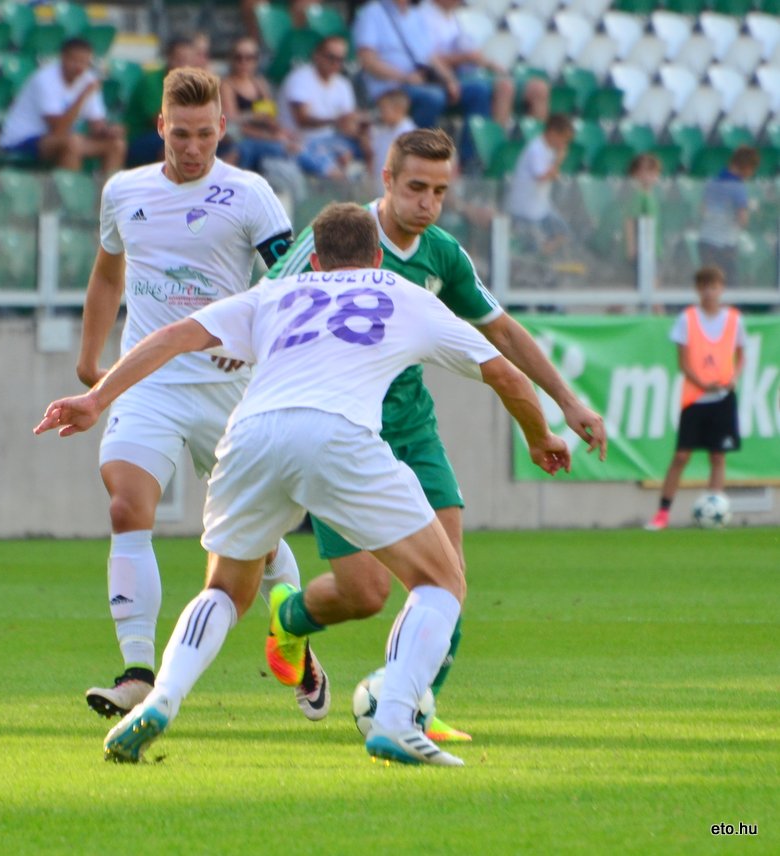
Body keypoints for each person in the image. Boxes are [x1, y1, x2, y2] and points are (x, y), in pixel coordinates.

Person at [34, 202, 571, 767]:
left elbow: (173, 337)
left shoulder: (277, 293)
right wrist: (539, 437)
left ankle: (163, 698)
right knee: (441, 581)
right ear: (375, 257)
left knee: (223, 591)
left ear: (314, 259)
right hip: (339, 434)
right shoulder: (404, 293)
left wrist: (97, 398)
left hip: (250, 436)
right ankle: (394, 717)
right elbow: (505, 373)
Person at [268, 129, 607, 741]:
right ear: (388, 181)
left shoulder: (443, 253)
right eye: (417, 187)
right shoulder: (334, 244)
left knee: (448, 576)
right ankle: (289, 617)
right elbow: (263, 319)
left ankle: (414, 706)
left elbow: (501, 333)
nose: (428, 202)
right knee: (365, 593)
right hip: (340, 436)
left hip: (412, 431)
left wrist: (567, 403)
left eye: (441, 191)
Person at [73, 66, 326, 724]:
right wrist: (90, 357)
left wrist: (250, 337)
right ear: (160, 127)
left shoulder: (249, 195)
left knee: (258, 543)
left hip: (229, 389)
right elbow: (107, 274)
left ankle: (292, 640)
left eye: (205, 135)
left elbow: (296, 280)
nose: (192, 148)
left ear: (223, 129)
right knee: (127, 507)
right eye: (180, 134)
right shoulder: (123, 191)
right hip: (150, 378)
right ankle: (136, 671)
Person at [645, 266, 746, 531]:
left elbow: (741, 354)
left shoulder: (734, 319)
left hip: (723, 397)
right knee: (681, 456)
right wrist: (701, 382)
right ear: (698, 289)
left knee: (718, 457)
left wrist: (734, 376)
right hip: (695, 398)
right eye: (706, 286)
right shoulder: (687, 318)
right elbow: (684, 362)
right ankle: (662, 514)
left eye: (715, 286)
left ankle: (716, 509)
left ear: (721, 289)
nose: (711, 292)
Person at [353, 0, 491, 164]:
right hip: (391, 86)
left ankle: (469, 161)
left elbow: (430, 56)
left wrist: (450, 79)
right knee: (432, 97)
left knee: (479, 91)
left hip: (421, 81)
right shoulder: (372, 13)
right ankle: (421, 155)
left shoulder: (414, 16)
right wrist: (404, 77)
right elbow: (368, 61)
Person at [0, 37, 126, 174]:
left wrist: (108, 131)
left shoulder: (88, 80)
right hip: (23, 139)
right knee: (72, 143)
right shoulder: (45, 80)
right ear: (63, 58)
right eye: (74, 61)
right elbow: (58, 128)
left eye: (84, 62)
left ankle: (108, 194)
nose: (79, 67)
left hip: (60, 139)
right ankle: (71, 194)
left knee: (116, 145)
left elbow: (96, 126)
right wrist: (83, 96)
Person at [419, 0, 549, 129]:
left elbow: (469, 52)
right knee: (505, 87)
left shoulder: (453, 17)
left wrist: (488, 63)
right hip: (446, 77)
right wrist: (465, 58)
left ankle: (536, 147)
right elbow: (427, 60)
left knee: (538, 88)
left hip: (472, 72)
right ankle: (496, 145)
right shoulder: (423, 17)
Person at [278, 35, 368, 179]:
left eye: (340, 59)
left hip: (331, 140)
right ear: (317, 55)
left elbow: (348, 125)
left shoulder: (342, 84)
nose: (335, 63)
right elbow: (302, 120)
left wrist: (361, 127)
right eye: (331, 57)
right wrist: (336, 121)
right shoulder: (300, 78)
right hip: (301, 141)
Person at [124, 36, 208, 167]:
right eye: (179, 60)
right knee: (173, 143)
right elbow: (158, 121)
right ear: (169, 58)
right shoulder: (151, 82)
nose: (183, 66)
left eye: (188, 61)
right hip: (142, 135)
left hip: (181, 132)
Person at [219, 36, 297, 174]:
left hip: (262, 135)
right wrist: (258, 123)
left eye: (249, 58)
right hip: (243, 139)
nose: (244, 62)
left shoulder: (260, 83)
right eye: (239, 57)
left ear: (256, 60)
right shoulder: (227, 85)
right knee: (282, 149)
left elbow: (270, 117)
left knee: (295, 144)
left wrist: (280, 132)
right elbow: (232, 124)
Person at [505, 113, 574, 258]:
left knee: (564, 233)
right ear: (553, 132)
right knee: (535, 247)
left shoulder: (549, 150)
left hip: (541, 209)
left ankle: (544, 257)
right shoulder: (535, 149)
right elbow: (541, 177)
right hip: (525, 211)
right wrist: (559, 161)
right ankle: (538, 260)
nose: (564, 144)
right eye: (563, 139)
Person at [698, 146, 761, 288]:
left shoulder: (711, 182)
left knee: (709, 284)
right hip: (725, 244)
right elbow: (742, 219)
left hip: (706, 239)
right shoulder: (738, 187)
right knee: (729, 286)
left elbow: (702, 210)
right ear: (747, 167)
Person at [368, 88, 415, 194]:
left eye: (384, 109)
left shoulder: (408, 132)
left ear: (398, 110)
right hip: (379, 182)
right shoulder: (380, 129)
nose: (381, 113)